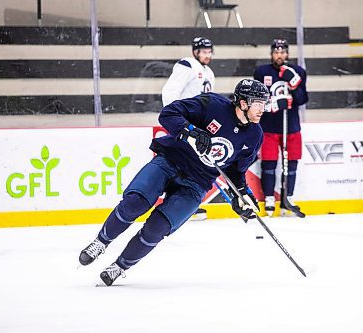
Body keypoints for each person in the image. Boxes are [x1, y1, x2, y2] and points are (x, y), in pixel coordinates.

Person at [78, 79, 270, 286]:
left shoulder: (254, 135)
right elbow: (168, 114)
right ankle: (100, 242)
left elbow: (235, 171)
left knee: (157, 228)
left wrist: (241, 195)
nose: (262, 109)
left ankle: (119, 266)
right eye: (257, 103)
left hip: (197, 182)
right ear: (242, 103)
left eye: (264, 103)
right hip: (171, 161)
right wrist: (190, 130)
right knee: (136, 202)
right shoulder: (213, 105)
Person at [161, 36, 216, 220]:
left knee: (191, 166)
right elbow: (170, 91)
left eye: (209, 52)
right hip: (184, 124)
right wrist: (175, 120)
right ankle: (171, 203)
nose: (207, 55)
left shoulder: (209, 72)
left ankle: (183, 203)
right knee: (178, 164)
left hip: (198, 126)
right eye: (203, 52)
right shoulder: (188, 65)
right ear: (195, 52)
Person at [253, 39, 309, 217]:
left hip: (291, 127)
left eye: (283, 52)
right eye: (276, 52)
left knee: (291, 164)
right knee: (268, 164)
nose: (280, 55)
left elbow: (302, 99)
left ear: (287, 54)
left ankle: (288, 198)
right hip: (269, 127)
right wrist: (273, 104)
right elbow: (256, 99)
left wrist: (293, 85)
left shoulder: (298, 72)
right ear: (271, 54)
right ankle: (269, 197)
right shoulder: (262, 72)